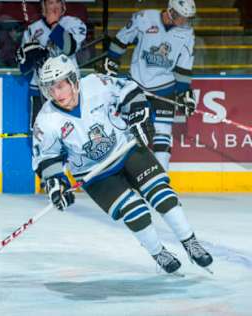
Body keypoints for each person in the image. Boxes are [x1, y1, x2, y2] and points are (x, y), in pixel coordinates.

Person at [33, 54, 212, 274]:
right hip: (94, 174)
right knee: (135, 212)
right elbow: (47, 157)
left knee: (162, 195)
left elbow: (129, 90)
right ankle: (158, 252)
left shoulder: (97, 83)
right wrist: (55, 185)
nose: (56, 94)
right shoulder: (46, 120)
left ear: (74, 80)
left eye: (60, 86)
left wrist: (138, 113)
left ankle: (190, 242)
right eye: (51, 88)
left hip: (126, 149)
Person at [103, 0, 197, 171]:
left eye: (187, 18)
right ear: (171, 12)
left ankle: (162, 181)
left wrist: (184, 93)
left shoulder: (187, 33)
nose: (185, 22)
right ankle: (125, 176)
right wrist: (112, 58)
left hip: (165, 88)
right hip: (136, 86)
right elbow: (123, 38)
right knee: (131, 134)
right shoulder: (144, 17)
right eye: (182, 17)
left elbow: (183, 67)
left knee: (163, 135)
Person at [16, 0, 86, 130]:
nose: (54, 7)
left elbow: (69, 48)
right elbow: (23, 68)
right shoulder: (32, 30)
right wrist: (29, 58)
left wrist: (54, 24)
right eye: (50, 3)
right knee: (41, 130)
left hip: (68, 86)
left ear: (63, 5)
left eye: (57, 3)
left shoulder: (74, 23)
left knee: (72, 129)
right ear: (43, 7)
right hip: (40, 88)